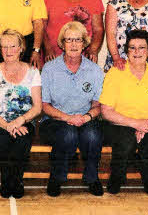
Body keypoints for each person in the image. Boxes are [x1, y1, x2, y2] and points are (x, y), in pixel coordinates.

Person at [99, 29, 148, 196]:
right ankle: (117, 176)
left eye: (141, 48)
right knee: (126, 141)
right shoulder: (115, 72)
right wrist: (135, 123)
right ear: (126, 51)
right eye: (132, 48)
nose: (137, 52)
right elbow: (106, 112)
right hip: (120, 124)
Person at [40, 21, 104, 197]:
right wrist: (67, 118)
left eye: (78, 40)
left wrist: (86, 117)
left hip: (85, 119)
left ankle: (92, 178)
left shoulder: (94, 70)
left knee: (92, 135)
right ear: (62, 43)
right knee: (68, 134)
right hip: (54, 120)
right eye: (69, 40)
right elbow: (44, 105)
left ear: (84, 43)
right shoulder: (49, 69)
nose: (74, 44)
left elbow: (98, 105)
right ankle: (57, 178)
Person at [0, 29, 42, 199]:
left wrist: (20, 121)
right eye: (4, 47)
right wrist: (8, 125)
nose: (8, 51)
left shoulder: (33, 71)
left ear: (21, 48)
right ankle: (7, 180)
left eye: (13, 46)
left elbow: (37, 107)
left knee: (22, 139)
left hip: (25, 121)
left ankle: (16, 180)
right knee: (2, 138)